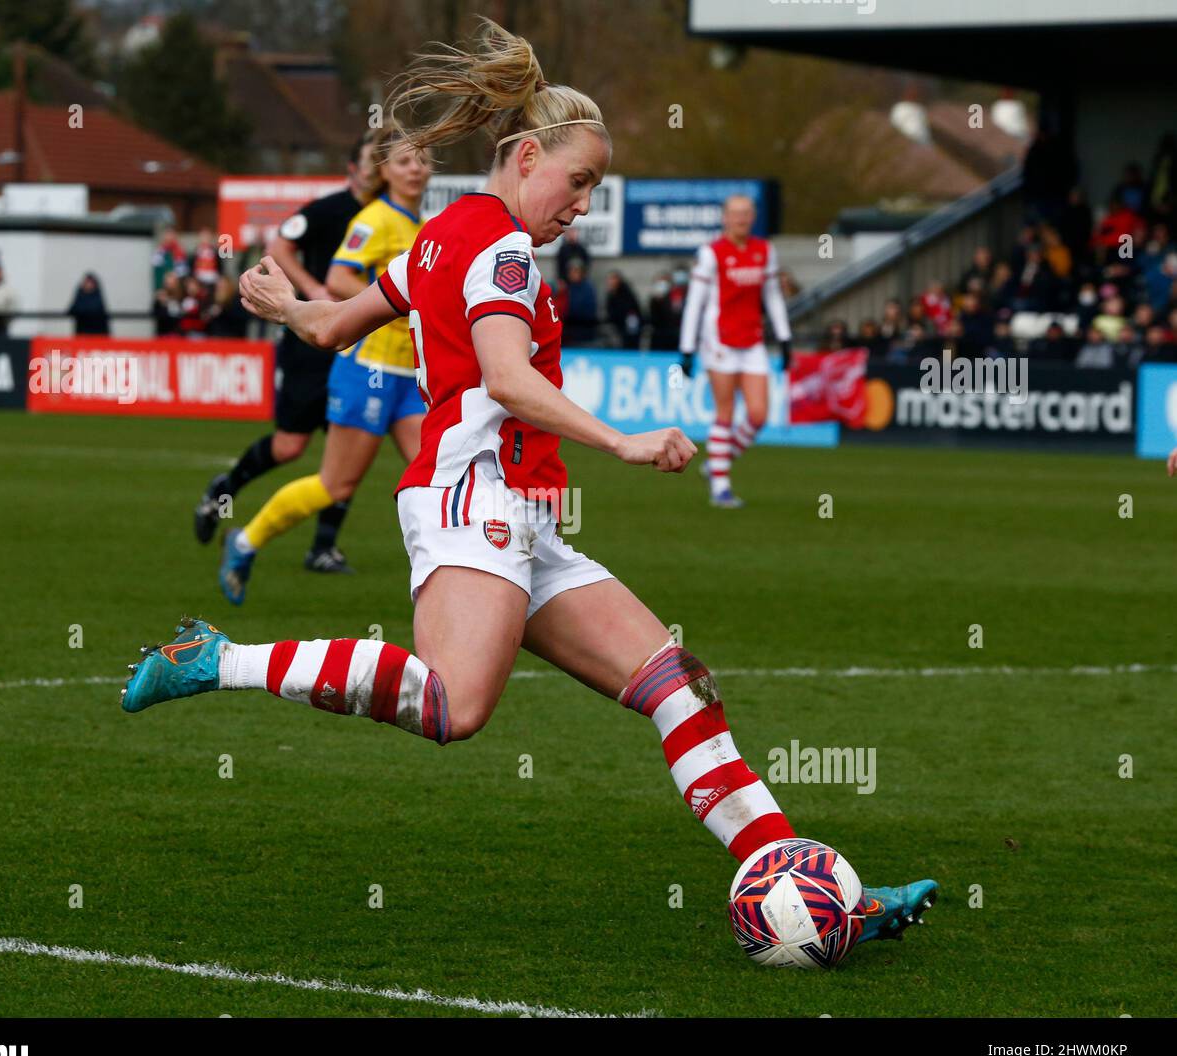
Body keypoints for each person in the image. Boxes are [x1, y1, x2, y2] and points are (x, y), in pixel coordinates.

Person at [119, 18, 936, 947]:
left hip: (520, 518)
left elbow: (330, 328)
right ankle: (214, 659)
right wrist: (622, 441)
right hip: (477, 505)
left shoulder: (441, 237)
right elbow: (507, 377)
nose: (582, 204)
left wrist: (282, 304)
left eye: (594, 188)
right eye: (578, 180)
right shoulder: (501, 248)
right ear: (528, 153)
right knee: (453, 706)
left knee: (678, 683)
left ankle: (810, 888)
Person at [217, 130, 431, 602]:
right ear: (385, 172)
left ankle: (444, 579)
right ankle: (245, 541)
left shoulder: (421, 226)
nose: (415, 168)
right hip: (366, 368)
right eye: (404, 161)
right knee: (337, 483)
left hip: (408, 375)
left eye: (422, 160)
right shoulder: (375, 219)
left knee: (434, 474)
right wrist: (387, 304)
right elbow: (338, 277)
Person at [193, 134, 375, 571]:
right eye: (373, 159)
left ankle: (323, 547)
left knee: (348, 449)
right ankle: (225, 488)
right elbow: (278, 247)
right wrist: (310, 291)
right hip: (310, 342)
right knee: (290, 445)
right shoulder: (326, 209)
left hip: (359, 345)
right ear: (352, 168)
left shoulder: (389, 216)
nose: (379, 167)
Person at [677, 195, 791, 509]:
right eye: (735, 214)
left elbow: (772, 296)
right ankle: (721, 487)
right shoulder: (711, 253)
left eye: (746, 214)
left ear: (753, 217)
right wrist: (687, 348)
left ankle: (717, 461)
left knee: (758, 415)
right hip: (719, 341)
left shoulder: (764, 251)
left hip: (752, 340)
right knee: (725, 412)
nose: (741, 219)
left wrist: (784, 337)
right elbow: (696, 302)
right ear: (725, 218)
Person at [603, 270, 643, 348]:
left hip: (629, 328)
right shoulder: (610, 295)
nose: (611, 282)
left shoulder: (626, 293)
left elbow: (631, 311)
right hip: (618, 327)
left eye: (613, 279)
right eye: (610, 279)